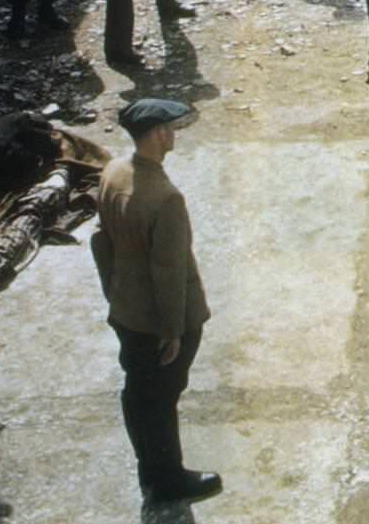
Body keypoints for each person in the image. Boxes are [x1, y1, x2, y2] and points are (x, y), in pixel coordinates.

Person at [91, 98, 220, 505]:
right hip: (157, 318)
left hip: (126, 309)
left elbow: (100, 240)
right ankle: (168, 480)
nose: (174, 134)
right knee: (162, 398)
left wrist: (112, 291)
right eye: (171, 128)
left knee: (138, 393)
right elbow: (169, 271)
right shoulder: (165, 198)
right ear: (161, 134)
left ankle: (149, 468)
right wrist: (172, 331)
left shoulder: (113, 172)